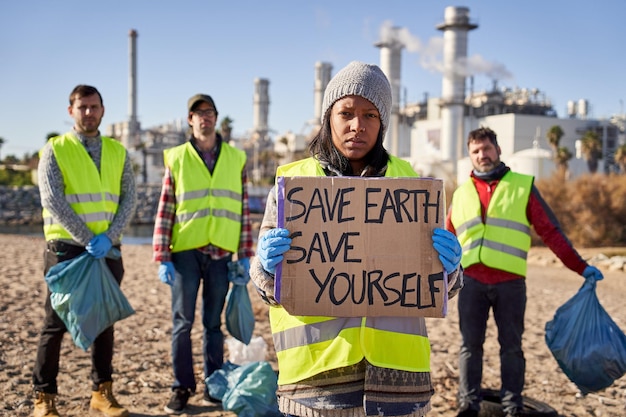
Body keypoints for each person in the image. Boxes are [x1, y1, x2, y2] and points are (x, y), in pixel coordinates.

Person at [250, 61, 464, 417]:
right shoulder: (293, 186)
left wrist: (451, 270)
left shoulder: (410, 185)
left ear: (383, 124)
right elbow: (266, 289)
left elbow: (439, 287)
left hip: (398, 386)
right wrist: (266, 268)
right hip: (315, 385)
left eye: (370, 115)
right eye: (345, 113)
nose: (356, 126)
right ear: (327, 117)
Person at [446, 127, 604, 417]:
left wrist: (581, 267)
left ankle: (512, 408)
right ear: (470, 155)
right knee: (469, 346)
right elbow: (445, 242)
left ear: (498, 150)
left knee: (512, 348)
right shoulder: (460, 194)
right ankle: (468, 406)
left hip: (510, 284)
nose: (482, 155)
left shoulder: (522, 186)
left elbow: (551, 233)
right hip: (471, 284)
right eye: (476, 151)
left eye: (487, 148)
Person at [33, 85, 136, 417]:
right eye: (82, 107)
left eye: (94, 107)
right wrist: (87, 237)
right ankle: (44, 397)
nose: (88, 112)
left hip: (106, 251)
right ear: (71, 111)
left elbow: (129, 199)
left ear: (103, 110)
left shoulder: (118, 152)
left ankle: (101, 392)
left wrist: (110, 236)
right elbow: (52, 199)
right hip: (66, 251)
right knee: (54, 323)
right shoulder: (54, 149)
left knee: (104, 322)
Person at [153, 93, 254, 415]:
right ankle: (181, 387)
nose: (204, 118)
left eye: (209, 112)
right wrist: (161, 254)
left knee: (213, 324)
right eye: (198, 113)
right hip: (185, 251)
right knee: (182, 323)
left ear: (216, 117)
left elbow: (242, 208)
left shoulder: (236, 158)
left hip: (221, 254)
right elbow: (166, 206)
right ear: (190, 120)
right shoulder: (177, 157)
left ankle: (213, 384)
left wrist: (245, 253)